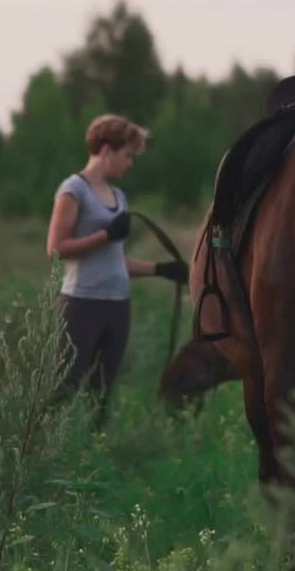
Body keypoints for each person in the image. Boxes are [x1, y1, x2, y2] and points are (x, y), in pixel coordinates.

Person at [45, 113, 188, 427]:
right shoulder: (73, 189)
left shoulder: (119, 197)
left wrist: (161, 269)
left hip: (117, 306)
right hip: (82, 304)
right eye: (127, 155)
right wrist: (105, 235)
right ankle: (44, 451)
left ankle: (92, 456)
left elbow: (113, 259)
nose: (130, 164)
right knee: (63, 388)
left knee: (102, 395)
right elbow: (55, 249)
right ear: (107, 150)